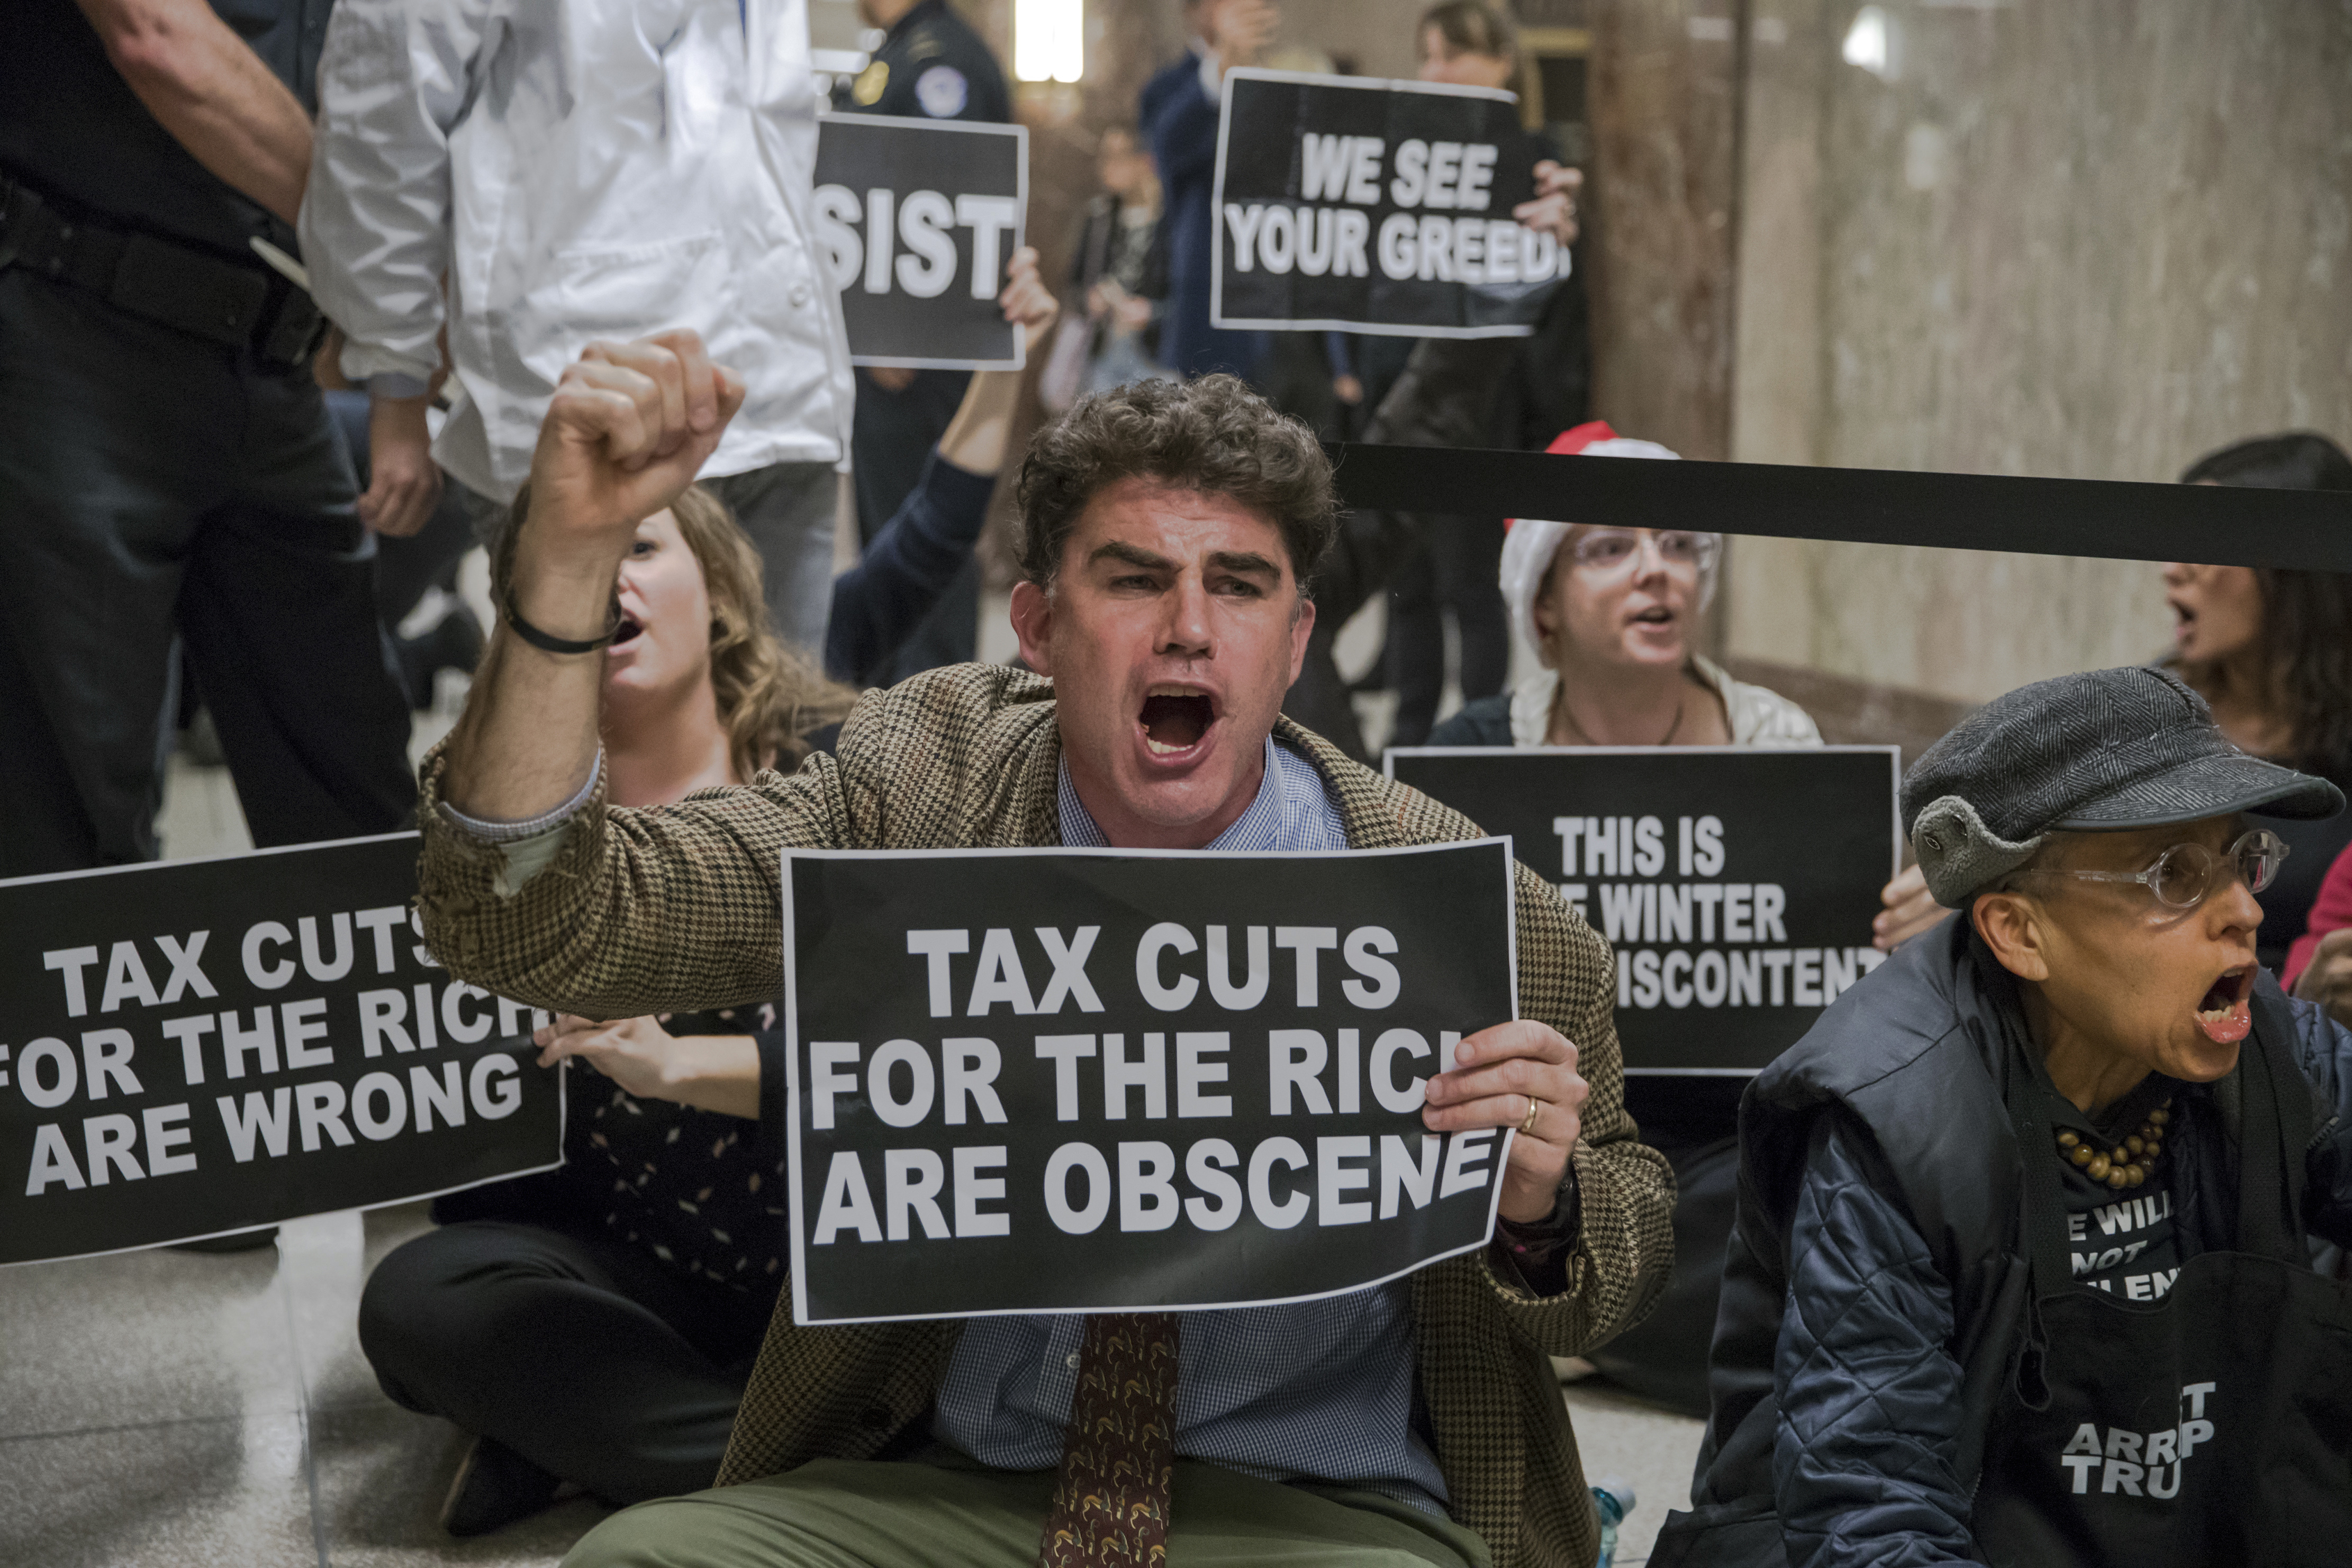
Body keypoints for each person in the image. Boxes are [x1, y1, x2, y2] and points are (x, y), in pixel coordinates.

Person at [414, 332, 1672, 1566]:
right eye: (1132, 579)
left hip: (1311, 1507)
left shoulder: (1476, 914)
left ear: (1292, 646)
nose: (1187, 626)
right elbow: (535, 922)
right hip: (958, 1485)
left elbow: (1626, 1251)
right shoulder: (917, 794)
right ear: (1036, 624)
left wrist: (1543, 1206)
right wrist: (569, 559)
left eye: (1236, 586)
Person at [355, 257, 1057, 1538]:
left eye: (647, 546)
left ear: (720, 592)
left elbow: (930, 1054)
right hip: (644, 1277)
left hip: (858, 1249)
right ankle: (833, 1485)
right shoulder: (488, 819)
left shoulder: (845, 772)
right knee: (419, 1305)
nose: (613, 576)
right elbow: (467, 1161)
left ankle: (619, 1447)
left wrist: (674, 1064)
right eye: (578, 557)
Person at [1654, 666, 2352, 1567]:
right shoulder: (1891, 1116)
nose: (2244, 912)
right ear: (2016, 929)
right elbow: (1871, 1514)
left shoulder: (2277, 1051)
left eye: (2238, 858)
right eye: (2173, 873)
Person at [1424, 421, 1816, 1418]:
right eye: (1609, 548)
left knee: (1816, 1202)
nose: (1657, 569)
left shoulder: (1783, 745)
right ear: (1542, 609)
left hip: (1731, 1149)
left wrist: (1891, 929)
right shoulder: (1472, 754)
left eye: (1678, 545)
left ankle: (1571, 1337)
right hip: (1550, 1142)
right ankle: (1616, 1324)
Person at [0, 0, 415, 879]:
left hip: (273, 355)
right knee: (72, 830)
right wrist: (392, 250)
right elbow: (160, 41)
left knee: (361, 802)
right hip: (73, 326)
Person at [301, 0, 856, 649]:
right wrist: (396, 378)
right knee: (583, 740)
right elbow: (380, 127)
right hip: (591, 398)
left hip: (783, 394)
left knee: (778, 737)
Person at [1872, 430, 2352, 967]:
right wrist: (1975, 889)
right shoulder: (2152, 710)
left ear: (2298, 563)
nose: (2173, 568)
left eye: (2210, 541)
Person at [835, 0, 1012, 684]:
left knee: (925, 530)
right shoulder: (899, 51)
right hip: (886, 348)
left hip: (913, 356)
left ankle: (936, 712)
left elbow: (950, 190)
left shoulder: (943, 58)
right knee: (890, 538)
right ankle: (893, 712)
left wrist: (904, 329)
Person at [1141, 0, 1278, 383]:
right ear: (1197, 10)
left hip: (1275, 300)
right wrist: (1222, 68)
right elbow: (1170, 149)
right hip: (1206, 304)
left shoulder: (1279, 80)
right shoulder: (1171, 86)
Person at [1041, 124, 1168, 413]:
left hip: (1155, 354)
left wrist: (1153, 312)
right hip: (1103, 348)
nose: (1108, 168)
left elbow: (1192, 298)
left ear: (1144, 161)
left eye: (1118, 157)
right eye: (1105, 158)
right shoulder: (1099, 217)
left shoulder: (1171, 222)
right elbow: (1073, 284)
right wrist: (1090, 300)